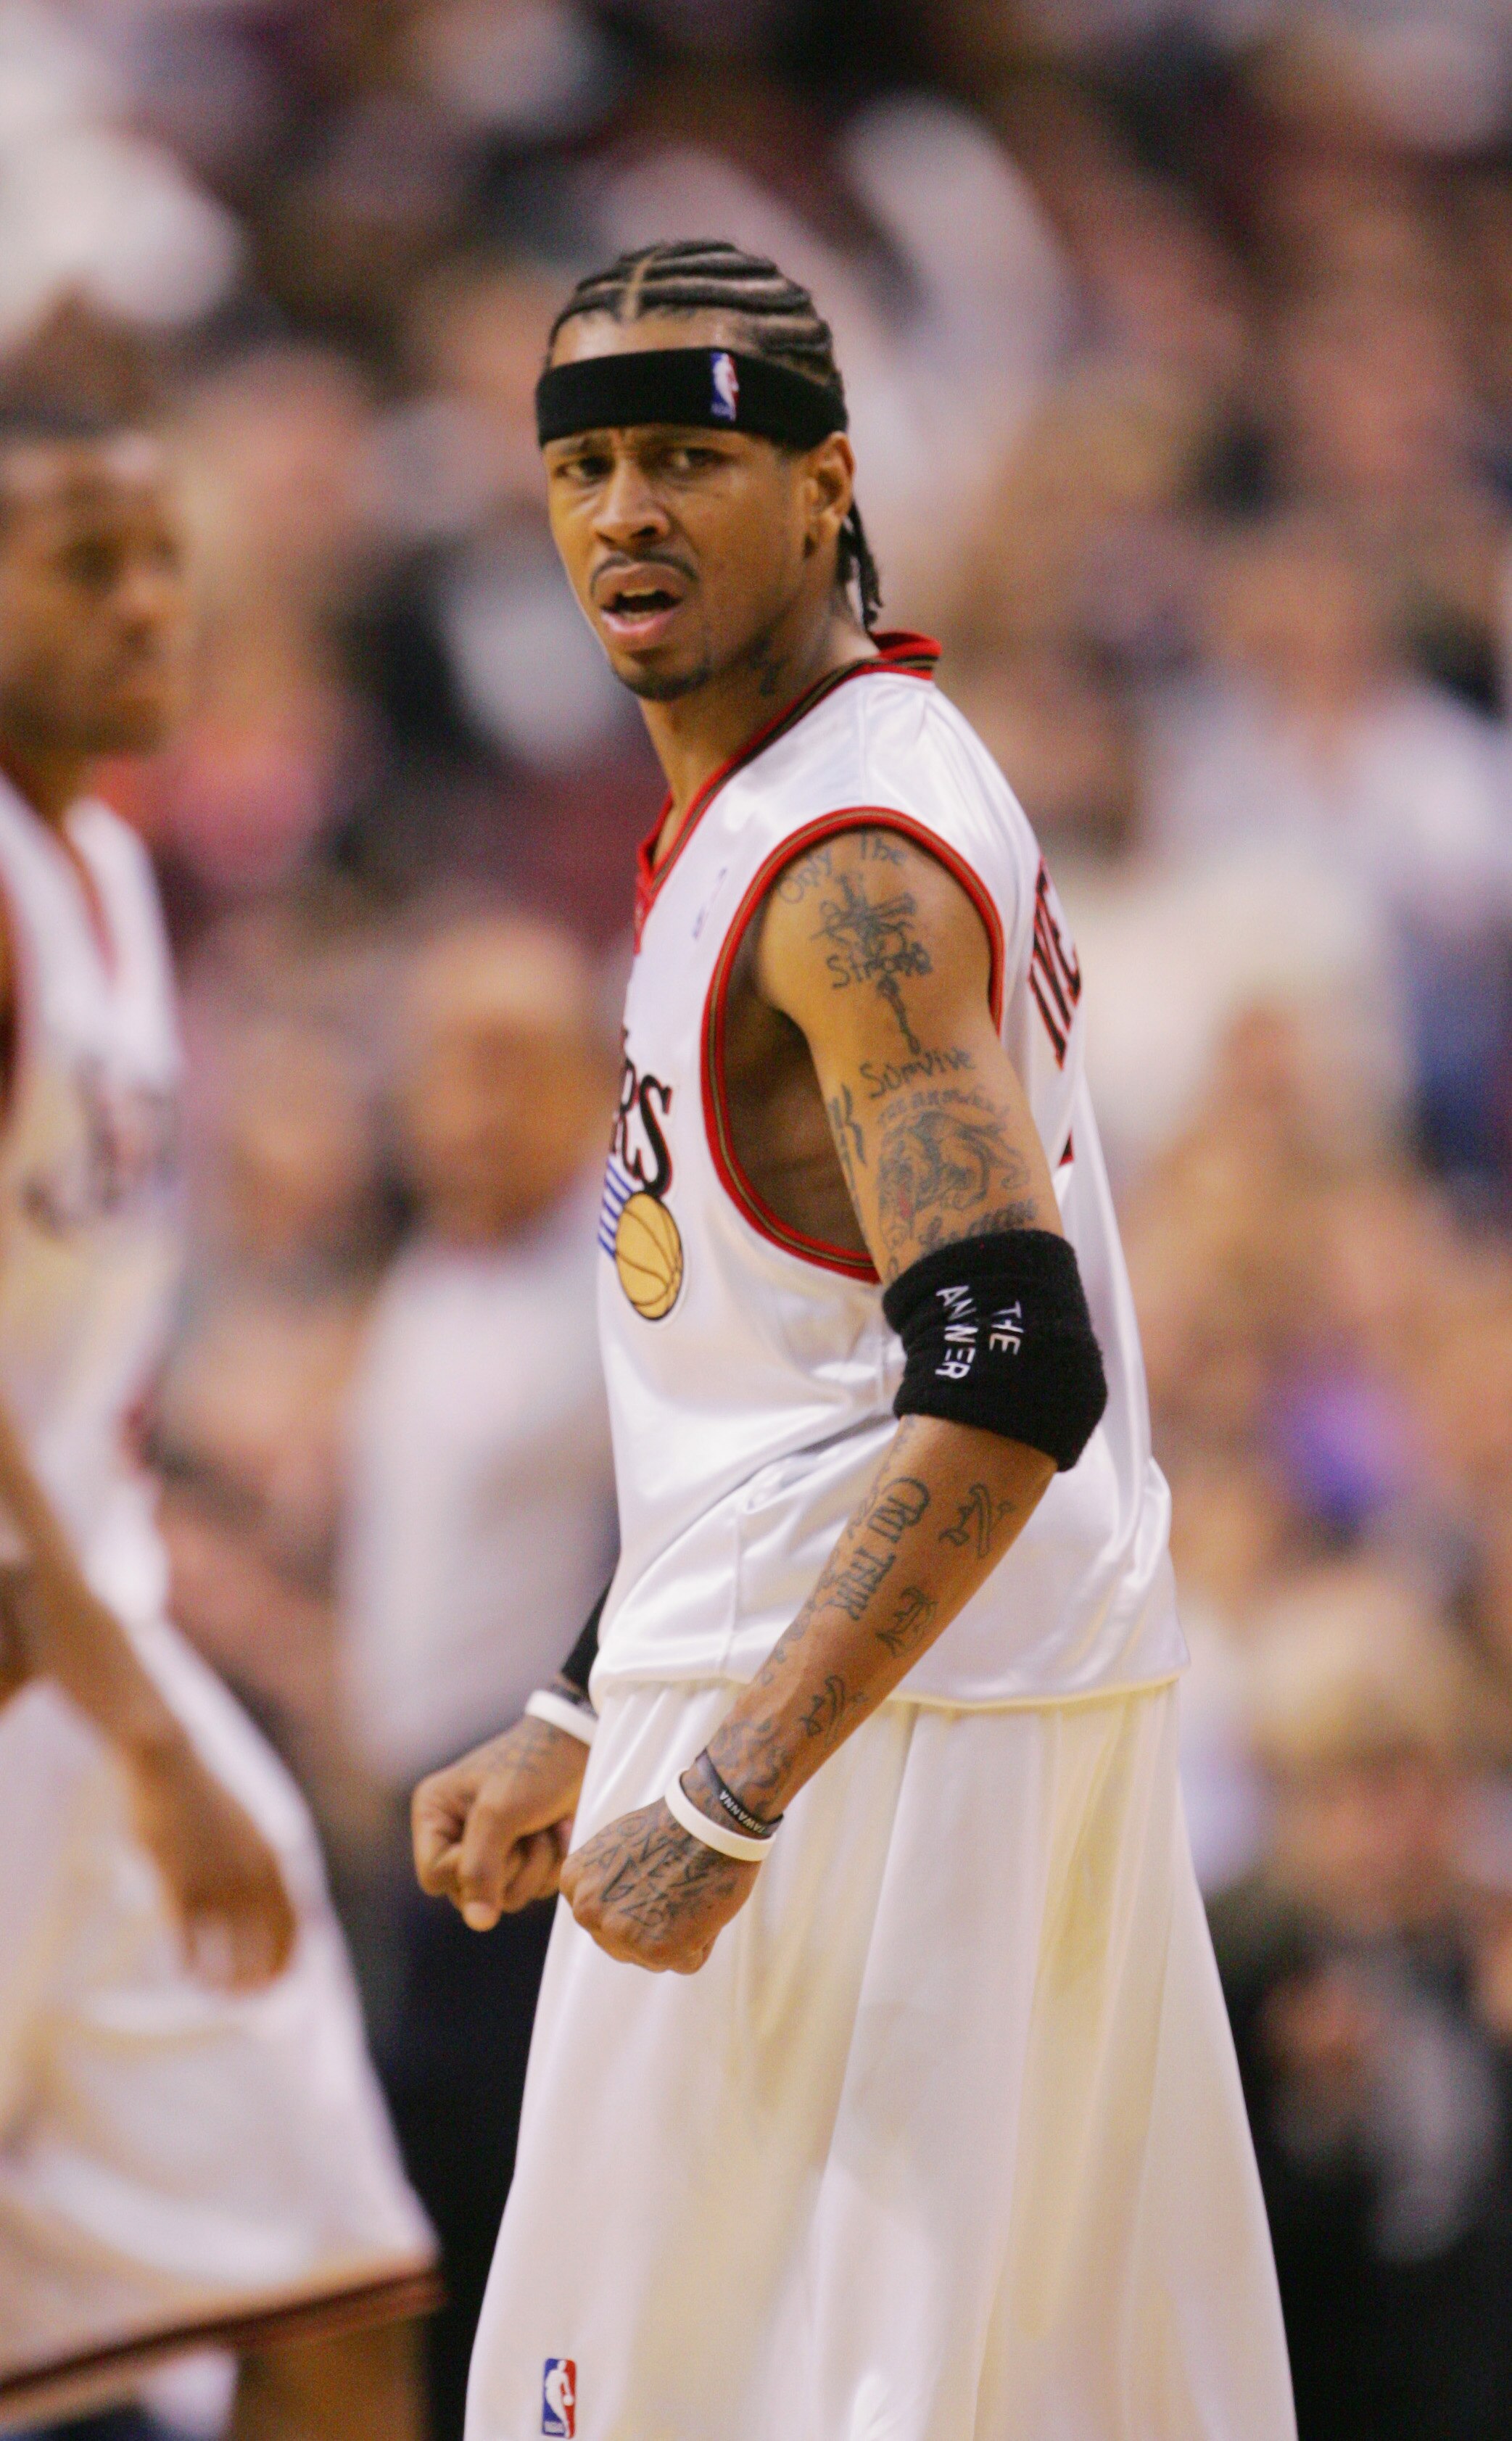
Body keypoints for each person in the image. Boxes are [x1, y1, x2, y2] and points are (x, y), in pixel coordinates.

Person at [413, 239, 1295, 2441]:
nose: (624, 510)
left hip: (868, 1754)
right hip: (938, 1683)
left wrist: (715, 1791)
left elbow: (1005, 1356)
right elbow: (789, 1369)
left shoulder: (847, 873)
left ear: (820, 486)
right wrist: (573, 1693)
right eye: (587, 463)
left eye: (689, 459)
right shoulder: (830, 763)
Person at [0, 314, 436, 2435]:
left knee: (340, 2279)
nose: (147, 603)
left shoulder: (96, 859)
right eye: (82, 560)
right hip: (68, 1693)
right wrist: (153, 1731)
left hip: (81, 1681)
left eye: (164, 554)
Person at [341, 911, 616, 2441]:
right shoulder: (431, 1276)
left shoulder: (620, 1277)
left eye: (505, 1060)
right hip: (416, 1834)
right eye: (438, 1060)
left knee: (532, 2257)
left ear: (590, 1076)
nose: (464, 1098)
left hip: (543, 1844)